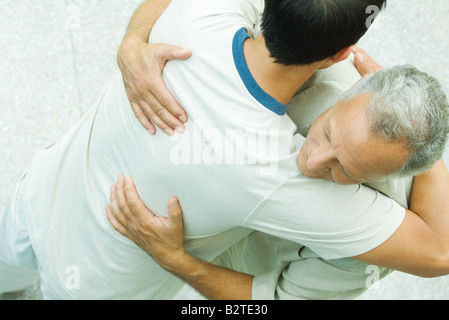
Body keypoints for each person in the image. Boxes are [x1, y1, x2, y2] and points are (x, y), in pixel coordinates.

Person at [1, 0, 448, 300]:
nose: (311, 161)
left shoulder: (200, 15)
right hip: (98, 280)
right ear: (344, 55)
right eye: (328, 134)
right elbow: (439, 254)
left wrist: (132, 41)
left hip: (40, 191)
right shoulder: (274, 175)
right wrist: (424, 149)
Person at [107, 47, 449, 300]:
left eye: (345, 169)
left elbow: (265, 304)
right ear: (350, 92)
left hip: (231, 270)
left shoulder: (366, 252)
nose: (312, 162)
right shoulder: (323, 70)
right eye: (328, 132)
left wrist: (176, 261)